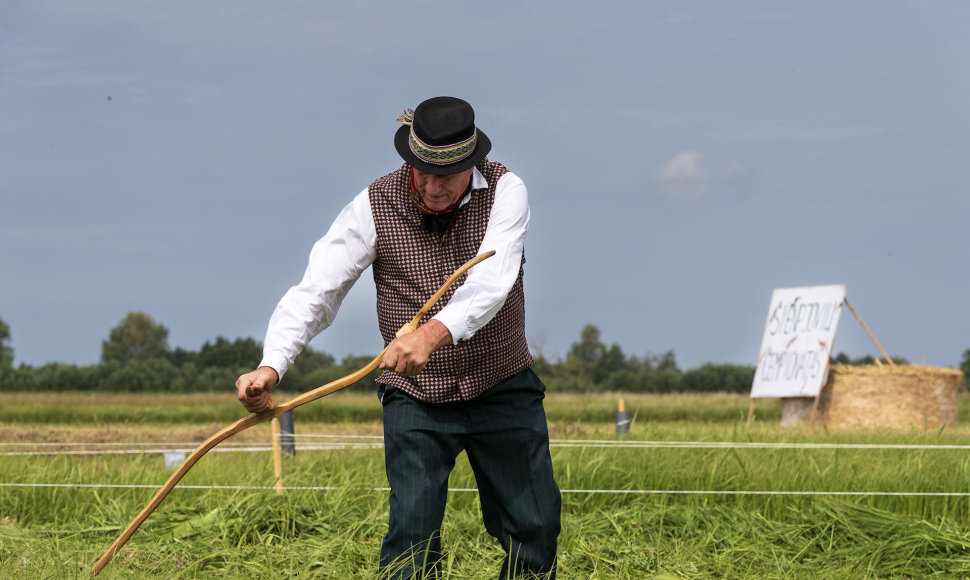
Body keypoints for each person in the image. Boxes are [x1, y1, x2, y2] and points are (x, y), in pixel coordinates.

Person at [235, 96, 561, 578]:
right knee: (411, 538)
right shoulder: (373, 204)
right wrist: (272, 364)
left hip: (502, 385)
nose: (430, 187)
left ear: (470, 166)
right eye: (420, 172)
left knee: (534, 526)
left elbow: (493, 281)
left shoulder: (507, 190)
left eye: (444, 178)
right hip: (416, 399)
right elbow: (318, 289)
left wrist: (430, 335)